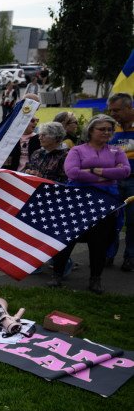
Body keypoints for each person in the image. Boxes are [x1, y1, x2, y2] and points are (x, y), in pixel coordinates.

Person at [50, 115, 130, 293]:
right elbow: (72, 172)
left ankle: (95, 279)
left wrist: (94, 170)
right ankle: (57, 275)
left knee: (99, 242)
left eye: (110, 129)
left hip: (105, 203)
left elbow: (125, 171)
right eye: (102, 129)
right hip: (77, 201)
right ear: (91, 130)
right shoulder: (77, 150)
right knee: (67, 238)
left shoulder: (117, 151)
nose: (107, 132)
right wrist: (107, 175)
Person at [106, 92, 134, 271]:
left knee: (133, 222)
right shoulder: (110, 128)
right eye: (111, 111)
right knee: (111, 220)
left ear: (129, 108)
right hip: (112, 181)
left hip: (133, 181)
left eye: (117, 110)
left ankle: (130, 257)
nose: (113, 114)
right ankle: (108, 255)